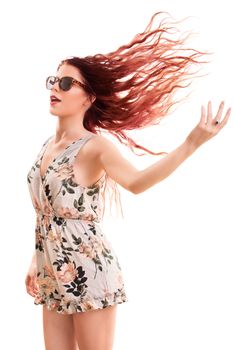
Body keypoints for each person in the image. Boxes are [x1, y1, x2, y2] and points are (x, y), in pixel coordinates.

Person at [25, 11, 231, 350]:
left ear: (88, 98)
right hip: (52, 272)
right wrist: (36, 260)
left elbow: (136, 182)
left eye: (66, 83)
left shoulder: (94, 147)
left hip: (88, 270)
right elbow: (48, 215)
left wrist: (191, 143)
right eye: (54, 81)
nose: (55, 88)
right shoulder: (48, 146)